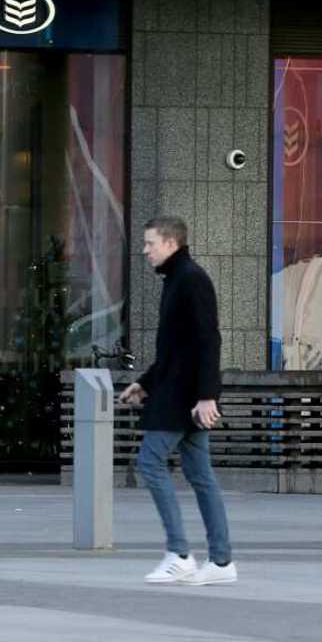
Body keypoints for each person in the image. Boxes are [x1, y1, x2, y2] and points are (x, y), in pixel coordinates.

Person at [119, 217, 236, 586]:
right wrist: (145, 383)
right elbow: (175, 349)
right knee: (201, 477)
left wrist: (207, 396)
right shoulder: (177, 279)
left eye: (150, 243)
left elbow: (208, 340)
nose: (145, 250)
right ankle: (220, 562)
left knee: (150, 463)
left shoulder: (191, 279)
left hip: (183, 398)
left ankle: (180, 554)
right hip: (179, 394)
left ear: (171, 243)